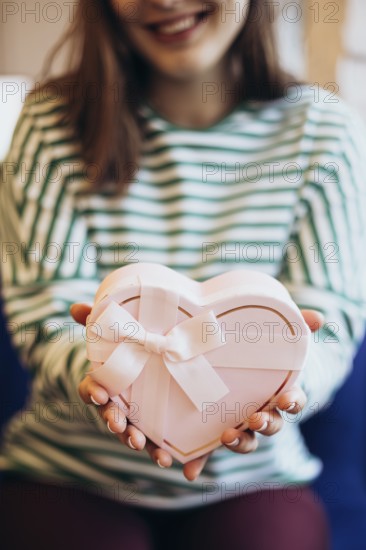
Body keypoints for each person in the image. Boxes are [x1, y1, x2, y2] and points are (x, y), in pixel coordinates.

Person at [1, 1, 366, 548]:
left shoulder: (323, 131)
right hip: (69, 471)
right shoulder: (53, 122)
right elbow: (44, 314)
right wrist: (106, 379)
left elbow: (330, 325)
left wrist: (284, 391)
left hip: (254, 480)